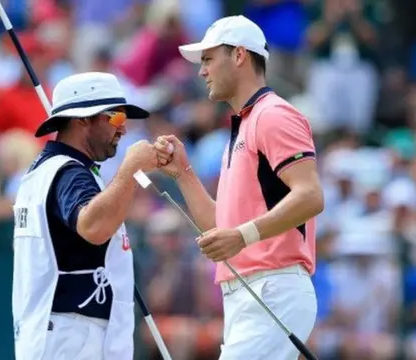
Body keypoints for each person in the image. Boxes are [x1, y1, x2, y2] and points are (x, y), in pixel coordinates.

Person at [154, 15, 325, 359]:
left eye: (208, 59)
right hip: (252, 293)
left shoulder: (273, 114)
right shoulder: (244, 124)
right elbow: (223, 227)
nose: (202, 71)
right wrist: (184, 173)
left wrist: (242, 236)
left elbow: (310, 196)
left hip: (273, 287)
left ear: (239, 56)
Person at [11, 72, 171, 360]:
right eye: (116, 118)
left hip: (56, 331)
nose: (123, 129)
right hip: (72, 334)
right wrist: (130, 169)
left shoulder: (45, 170)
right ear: (82, 119)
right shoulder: (67, 171)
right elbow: (93, 227)